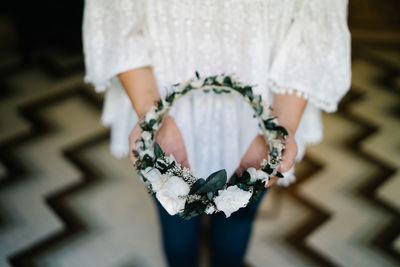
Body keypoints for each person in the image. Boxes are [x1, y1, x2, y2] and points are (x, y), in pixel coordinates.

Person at [82, 1, 351, 266]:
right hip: (159, 99)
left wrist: (279, 126)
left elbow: (317, 21)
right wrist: (151, 114)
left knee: (239, 216)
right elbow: (112, 13)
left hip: (264, 115)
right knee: (175, 217)